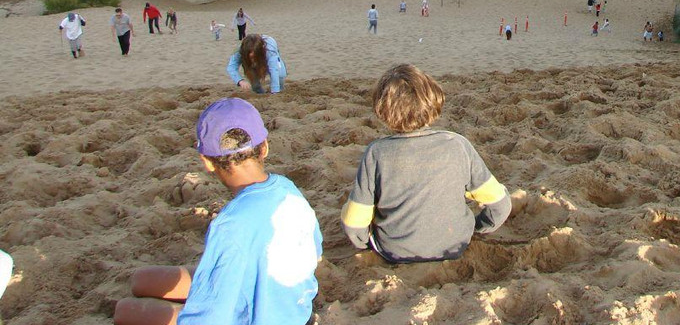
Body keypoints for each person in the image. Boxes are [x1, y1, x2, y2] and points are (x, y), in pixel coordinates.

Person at [113, 98, 321, 325]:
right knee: (141, 280)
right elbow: (314, 250)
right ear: (264, 148)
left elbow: (211, 317)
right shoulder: (287, 188)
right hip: (291, 305)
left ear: (207, 162)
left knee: (125, 311)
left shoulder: (229, 224)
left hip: (257, 315)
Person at [340, 65, 510, 263]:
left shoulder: (376, 153)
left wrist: (366, 243)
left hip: (395, 250)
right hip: (454, 243)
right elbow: (500, 205)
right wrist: (477, 227)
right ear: (433, 99)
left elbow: (354, 224)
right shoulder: (457, 144)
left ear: (381, 109)